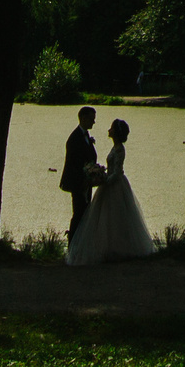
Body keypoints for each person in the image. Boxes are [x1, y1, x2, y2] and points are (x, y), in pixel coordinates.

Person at [66, 117, 155, 265]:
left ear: (116, 132)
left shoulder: (119, 149)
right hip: (108, 182)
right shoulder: (115, 147)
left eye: (112, 128)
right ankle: (108, 248)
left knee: (115, 217)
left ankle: (118, 249)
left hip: (115, 185)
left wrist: (104, 180)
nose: (109, 129)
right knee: (105, 218)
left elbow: (118, 171)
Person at [59, 105, 102, 244]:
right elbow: (74, 164)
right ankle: (72, 244)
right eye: (91, 119)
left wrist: (93, 173)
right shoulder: (74, 139)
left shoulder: (85, 136)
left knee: (85, 214)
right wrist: (84, 179)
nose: (93, 122)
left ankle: (82, 243)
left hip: (86, 183)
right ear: (83, 118)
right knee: (78, 213)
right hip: (78, 183)